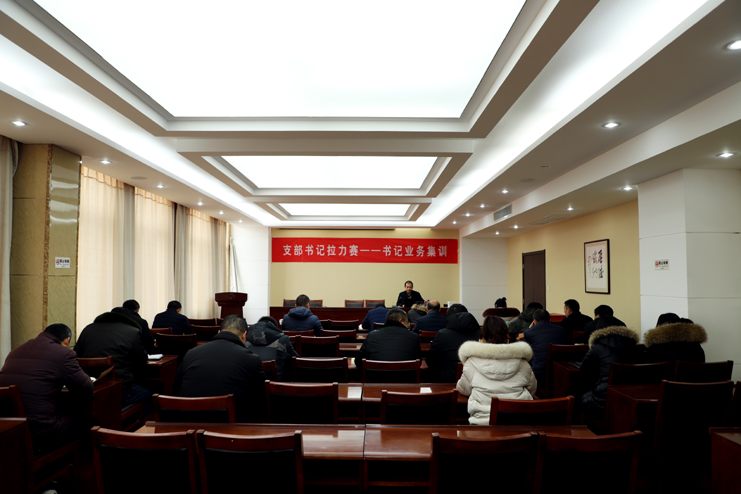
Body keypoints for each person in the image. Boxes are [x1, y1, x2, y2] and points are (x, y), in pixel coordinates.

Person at [0, 323, 93, 453]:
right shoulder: (64, 353)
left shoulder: (15, 351)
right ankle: (78, 462)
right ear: (67, 340)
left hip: (10, 428)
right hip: (41, 431)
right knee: (83, 420)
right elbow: (86, 387)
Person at [174, 315, 266, 422]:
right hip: (231, 425)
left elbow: (176, 390)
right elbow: (261, 397)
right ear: (244, 335)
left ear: (218, 332)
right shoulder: (251, 359)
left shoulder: (191, 353)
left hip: (189, 422)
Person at [456, 316, 536, 425]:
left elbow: (463, 389)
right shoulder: (521, 361)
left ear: (484, 334)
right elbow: (532, 388)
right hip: (517, 419)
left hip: (483, 420)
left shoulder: (472, 361)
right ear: (506, 334)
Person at [75, 310, 152, 413]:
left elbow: (76, 356)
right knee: (148, 396)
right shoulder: (133, 331)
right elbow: (141, 361)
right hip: (121, 389)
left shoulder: (88, 329)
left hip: (90, 387)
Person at [578, 321, 639, 419]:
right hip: (629, 397)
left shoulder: (597, 346)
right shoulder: (634, 346)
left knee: (579, 395)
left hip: (603, 399)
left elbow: (584, 370)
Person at [426, 304, 480, 383]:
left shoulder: (443, 334)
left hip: (448, 380)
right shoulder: (482, 334)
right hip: (476, 380)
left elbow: (431, 360)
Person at [355, 309, 420, 369]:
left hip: (376, 376)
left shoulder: (372, 336)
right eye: (407, 322)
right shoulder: (414, 337)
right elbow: (419, 362)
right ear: (401, 321)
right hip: (405, 377)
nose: (408, 325)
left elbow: (358, 361)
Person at [521, 309, 569, 386]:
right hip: (560, 373)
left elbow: (525, 352)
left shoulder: (529, 332)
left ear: (534, 321)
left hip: (539, 374)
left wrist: (530, 329)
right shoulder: (562, 330)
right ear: (550, 319)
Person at [244, 316, 299, 381]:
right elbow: (296, 360)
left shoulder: (245, 338)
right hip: (276, 384)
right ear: (274, 328)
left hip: (251, 383)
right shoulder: (283, 340)